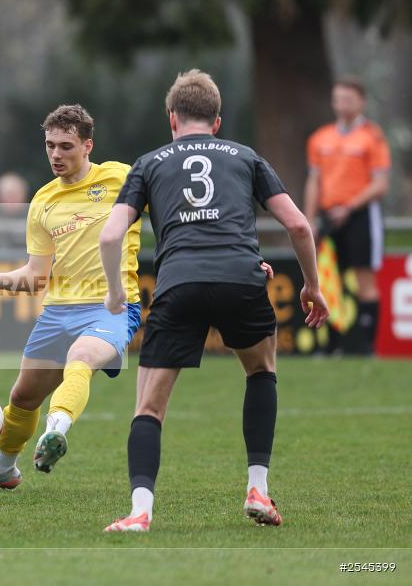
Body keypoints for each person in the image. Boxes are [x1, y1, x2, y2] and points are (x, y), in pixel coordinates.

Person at [99, 69, 329, 533]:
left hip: (178, 284)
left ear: (172, 119)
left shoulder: (148, 162)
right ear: (217, 121)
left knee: (148, 408)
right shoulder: (246, 157)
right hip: (241, 280)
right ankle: (257, 488)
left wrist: (116, 292)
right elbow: (301, 227)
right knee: (261, 372)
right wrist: (312, 286)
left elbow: (109, 234)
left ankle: (140, 513)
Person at [0, 104, 143, 491]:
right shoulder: (43, 201)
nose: (56, 154)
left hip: (112, 306)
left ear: (88, 146)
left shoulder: (123, 178)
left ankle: (55, 433)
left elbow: (175, 212)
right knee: (22, 396)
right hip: (57, 312)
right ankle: (2, 471)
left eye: (66, 146)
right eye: (50, 145)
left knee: (81, 359)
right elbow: (36, 276)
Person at [304, 77, 390, 355]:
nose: (342, 105)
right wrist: (309, 219)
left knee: (365, 280)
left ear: (361, 102)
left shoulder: (372, 137)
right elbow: (314, 181)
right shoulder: (320, 138)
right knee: (327, 279)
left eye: (348, 99)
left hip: (360, 215)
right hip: (329, 217)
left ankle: (366, 346)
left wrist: (350, 207)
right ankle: (332, 345)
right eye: (338, 99)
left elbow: (380, 184)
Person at [0, 172, 29, 251]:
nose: (8, 199)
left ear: (23, 195)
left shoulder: (35, 221)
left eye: (13, 195)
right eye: (4, 195)